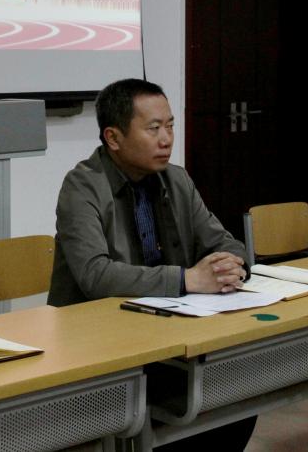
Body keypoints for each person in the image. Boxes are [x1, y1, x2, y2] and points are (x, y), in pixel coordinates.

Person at [48, 78, 255, 450]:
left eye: (170, 126)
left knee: (237, 397)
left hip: (167, 336)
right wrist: (187, 279)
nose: (167, 139)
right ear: (113, 138)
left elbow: (223, 241)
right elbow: (95, 274)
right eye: (154, 128)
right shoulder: (82, 186)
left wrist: (232, 263)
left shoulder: (176, 179)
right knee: (201, 406)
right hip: (99, 346)